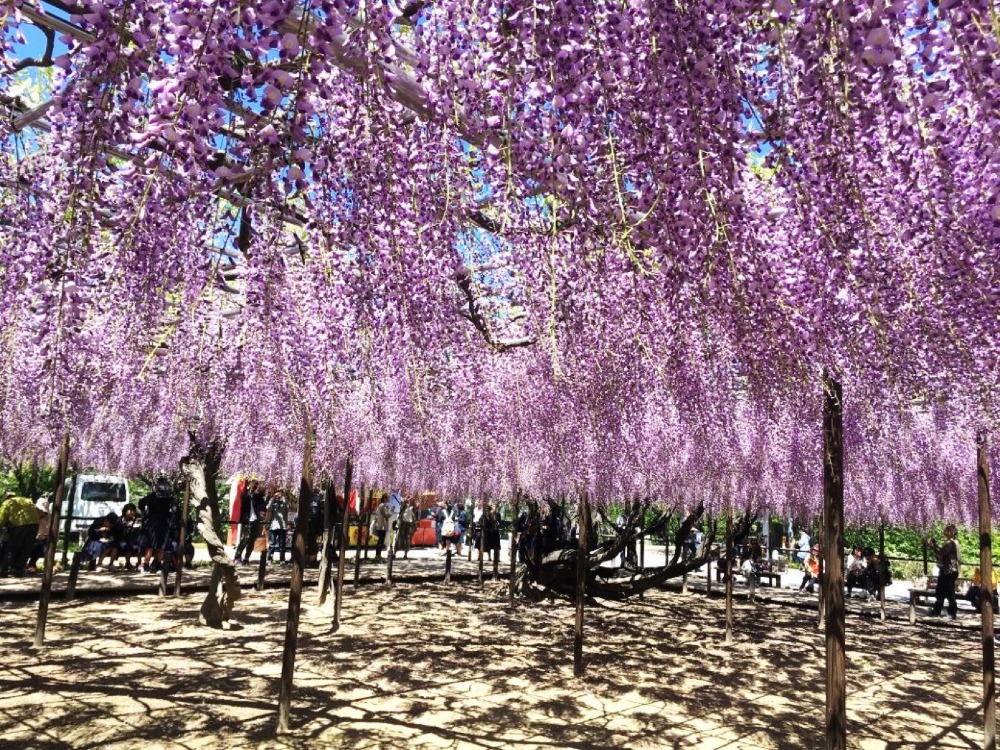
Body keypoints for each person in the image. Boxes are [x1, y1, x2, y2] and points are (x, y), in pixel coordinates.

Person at [139, 478, 176, 573]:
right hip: (163, 522)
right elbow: (175, 510)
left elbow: (141, 503)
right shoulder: (169, 497)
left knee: (152, 545)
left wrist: (144, 512)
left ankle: (148, 565)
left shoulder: (153, 496)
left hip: (153, 522)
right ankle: (155, 564)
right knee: (160, 545)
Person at [0, 493, 40, 577]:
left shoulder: (8, 502)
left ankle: (4, 571)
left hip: (20, 525)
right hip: (35, 524)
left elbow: (1, 519)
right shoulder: (27, 500)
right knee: (26, 548)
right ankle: (19, 571)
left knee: (12, 548)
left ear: (6, 498)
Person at [928, 524, 960, 619]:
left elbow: (941, 553)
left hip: (949, 571)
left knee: (949, 592)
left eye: (947, 530)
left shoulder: (951, 543)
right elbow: (941, 553)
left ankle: (952, 613)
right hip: (948, 570)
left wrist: (932, 547)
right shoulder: (952, 542)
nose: (945, 532)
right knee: (941, 591)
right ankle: (937, 610)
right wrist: (935, 546)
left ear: (952, 532)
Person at [234, 479, 266, 564]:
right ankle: (237, 557)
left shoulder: (258, 496)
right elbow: (243, 501)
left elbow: (262, 505)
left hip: (256, 520)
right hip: (246, 520)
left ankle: (246, 558)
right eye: (253, 485)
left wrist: (261, 514)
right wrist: (249, 491)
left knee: (252, 540)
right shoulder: (245, 494)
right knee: (244, 539)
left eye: (256, 486)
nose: (255, 487)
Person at [26, 495, 52, 572]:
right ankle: (30, 565)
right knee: (34, 549)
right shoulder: (34, 514)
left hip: (45, 537)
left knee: (43, 550)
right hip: (36, 537)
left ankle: (46, 566)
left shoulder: (48, 516)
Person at [266, 491, 289, 563]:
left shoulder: (284, 502)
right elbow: (268, 507)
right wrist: (273, 498)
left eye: (280, 494)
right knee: (272, 543)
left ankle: (282, 559)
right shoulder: (273, 502)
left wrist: (284, 498)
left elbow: (288, 508)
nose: (278, 495)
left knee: (282, 544)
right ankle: (269, 558)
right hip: (273, 525)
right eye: (277, 494)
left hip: (282, 526)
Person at [371, 496, 390, 560]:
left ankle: (378, 555)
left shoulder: (380, 505)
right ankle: (378, 555)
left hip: (380, 525)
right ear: (384, 498)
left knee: (380, 540)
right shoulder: (383, 506)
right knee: (381, 541)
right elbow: (386, 515)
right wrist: (391, 512)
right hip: (382, 526)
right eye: (388, 498)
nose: (388, 500)